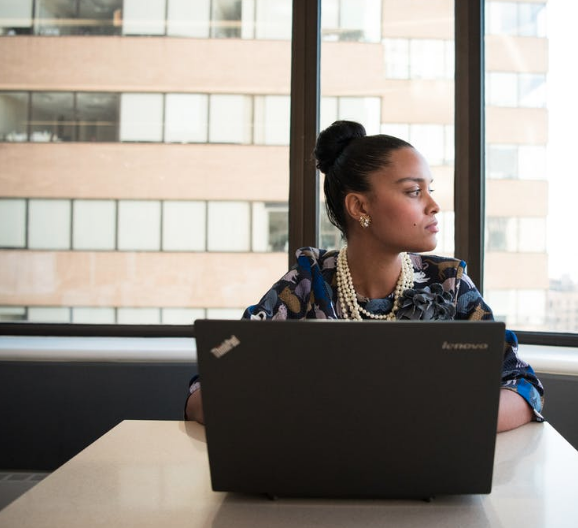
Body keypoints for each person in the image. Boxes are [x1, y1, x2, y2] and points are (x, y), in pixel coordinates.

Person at [185, 120, 544, 431]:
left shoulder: (449, 284)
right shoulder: (306, 284)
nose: (434, 205)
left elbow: (522, 384)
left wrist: (444, 421)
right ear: (359, 207)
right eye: (413, 191)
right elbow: (206, 387)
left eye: (429, 190)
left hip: (428, 479)